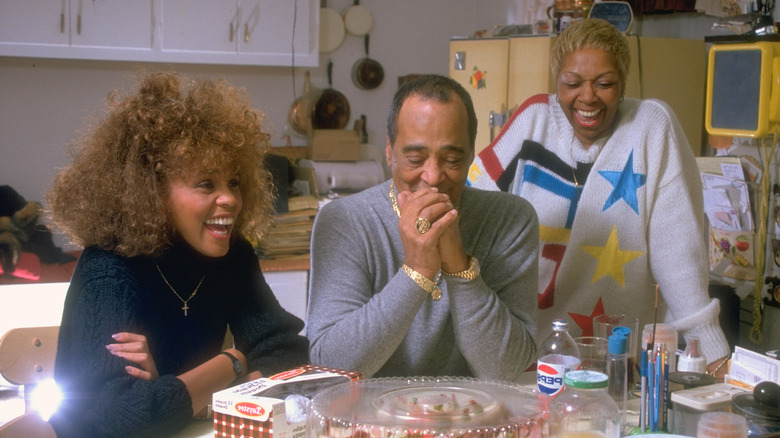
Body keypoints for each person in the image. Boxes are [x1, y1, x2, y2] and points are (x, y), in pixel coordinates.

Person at [45, 72, 309, 437]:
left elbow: (287, 350)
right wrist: (232, 363)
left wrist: (174, 391)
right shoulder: (109, 270)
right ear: (153, 192)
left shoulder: (233, 256)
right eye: (206, 184)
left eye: (233, 181)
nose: (230, 198)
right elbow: (120, 420)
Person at [468, 18, 730, 377]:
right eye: (572, 83)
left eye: (604, 84)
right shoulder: (533, 121)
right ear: (556, 83)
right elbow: (469, 208)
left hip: (614, 359)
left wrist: (711, 349)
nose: (587, 97)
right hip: (523, 352)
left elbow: (679, 252)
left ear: (623, 85)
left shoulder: (651, 126)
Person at [305, 74, 539, 380]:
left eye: (452, 159)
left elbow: (506, 369)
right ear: (389, 152)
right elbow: (332, 367)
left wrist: (459, 266)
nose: (432, 176)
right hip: (370, 420)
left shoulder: (511, 219)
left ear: (471, 154)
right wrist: (417, 271)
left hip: (475, 418)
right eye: (415, 159)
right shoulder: (345, 221)